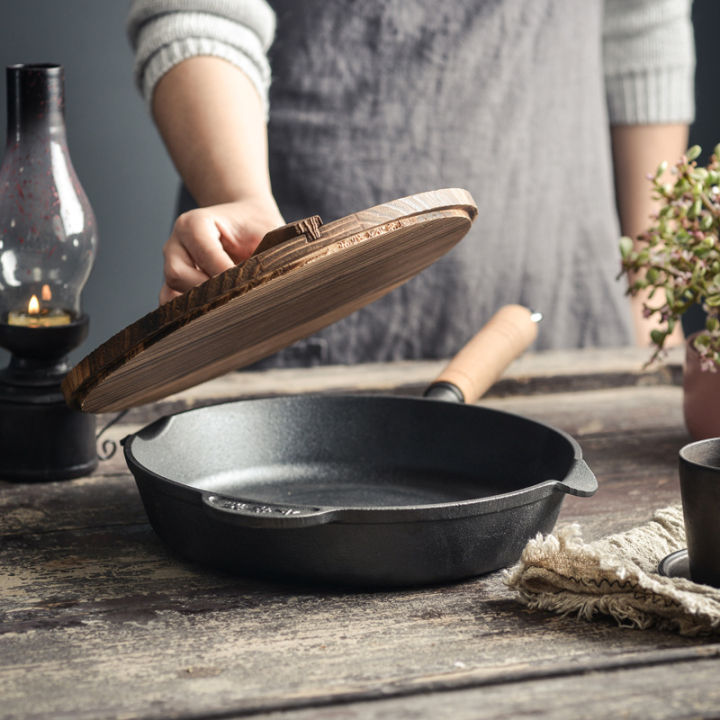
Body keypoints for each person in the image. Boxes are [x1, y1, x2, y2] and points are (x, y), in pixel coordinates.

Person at [127, 0, 695, 367]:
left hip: (569, 318)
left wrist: (654, 291)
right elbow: (201, 14)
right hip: (310, 319)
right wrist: (241, 199)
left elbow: (644, 21)